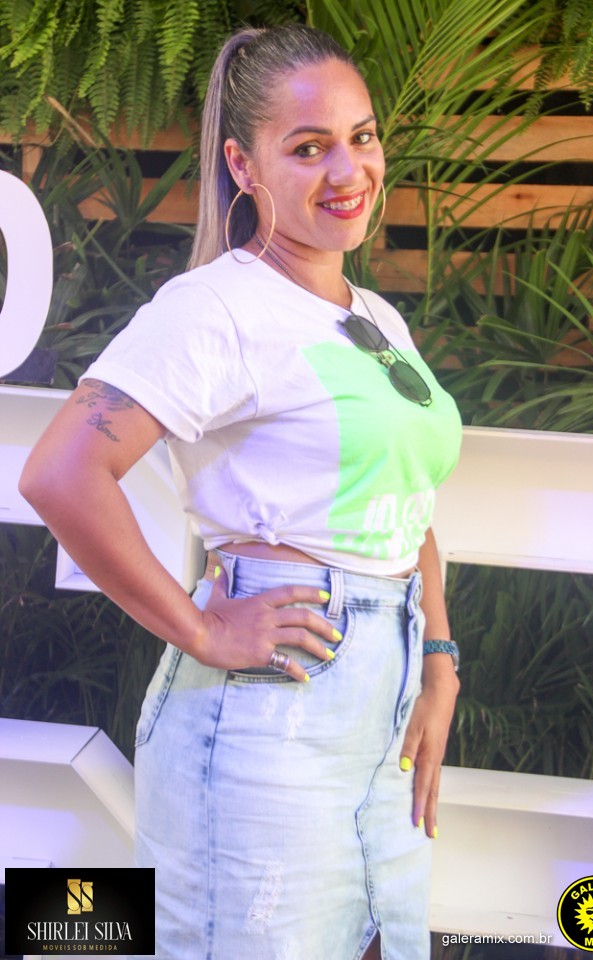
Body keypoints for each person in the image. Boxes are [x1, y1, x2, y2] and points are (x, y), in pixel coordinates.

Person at [19, 23, 462, 960]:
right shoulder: (215, 308)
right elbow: (60, 472)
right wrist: (201, 627)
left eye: (362, 136)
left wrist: (439, 657)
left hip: (382, 730)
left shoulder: (376, 318)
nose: (347, 169)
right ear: (241, 165)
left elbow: (413, 497)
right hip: (269, 724)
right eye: (308, 147)